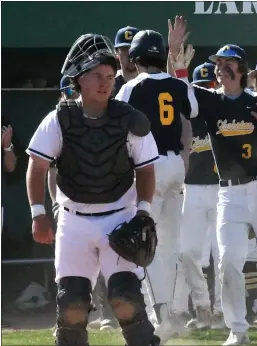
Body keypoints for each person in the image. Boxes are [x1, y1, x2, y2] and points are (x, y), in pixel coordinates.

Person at [170, 35, 257, 345]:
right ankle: (237, 329)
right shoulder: (210, 99)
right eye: (217, 64)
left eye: (227, 65)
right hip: (228, 192)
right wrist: (176, 64)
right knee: (228, 261)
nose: (220, 70)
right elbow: (183, 96)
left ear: (242, 69)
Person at [26, 33, 160, 346]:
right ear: (79, 80)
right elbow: (37, 166)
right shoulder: (59, 119)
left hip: (120, 217)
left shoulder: (130, 120)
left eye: (110, 76)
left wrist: (143, 212)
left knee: (126, 299)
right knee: (72, 305)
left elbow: (146, 169)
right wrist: (38, 213)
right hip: (74, 219)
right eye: (97, 76)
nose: (105, 82)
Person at [115, 29, 198, 343]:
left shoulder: (130, 88)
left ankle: (161, 312)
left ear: (135, 60)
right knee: (170, 243)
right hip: (175, 164)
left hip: (147, 169)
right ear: (161, 56)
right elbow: (193, 110)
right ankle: (174, 311)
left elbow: (120, 130)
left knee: (143, 245)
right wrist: (176, 66)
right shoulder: (177, 84)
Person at [178, 62, 225, 330]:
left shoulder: (220, 114)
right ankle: (202, 307)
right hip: (192, 189)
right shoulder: (184, 119)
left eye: (211, 85)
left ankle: (221, 310)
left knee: (223, 254)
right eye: (202, 86)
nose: (208, 89)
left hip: (221, 189)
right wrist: (179, 68)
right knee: (188, 252)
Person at [112, 26, 140, 96]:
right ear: (117, 53)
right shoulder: (110, 84)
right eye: (124, 49)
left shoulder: (151, 81)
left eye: (133, 48)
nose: (129, 53)